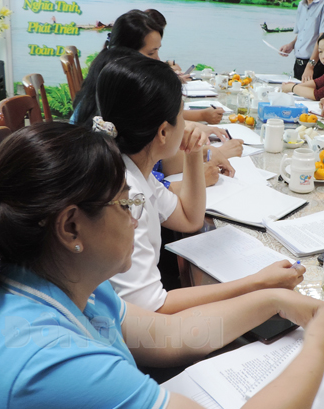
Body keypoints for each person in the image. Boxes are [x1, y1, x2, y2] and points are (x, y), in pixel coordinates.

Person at [0, 122, 324, 409]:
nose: (137, 219)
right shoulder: (50, 364)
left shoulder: (52, 282)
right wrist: (317, 351)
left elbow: (170, 336)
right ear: (71, 227)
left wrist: (273, 301)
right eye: (127, 206)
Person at [94, 54, 305, 312]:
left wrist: (194, 154)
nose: (189, 124)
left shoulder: (134, 169)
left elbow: (189, 219)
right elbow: (154, 308)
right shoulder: (128, 195)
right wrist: (257, 282)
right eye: (181, 115)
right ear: (162, 132)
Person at [73, 46, 238, 189]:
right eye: (152, 53)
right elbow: (185, 217)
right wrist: (198, 173)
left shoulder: (120, 148)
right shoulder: (130, 183)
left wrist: (200, 152)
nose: (159, 60)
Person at [73, 10, 225, 126]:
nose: (158, 60)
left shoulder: (109, 68)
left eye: (157, 50)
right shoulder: (123, 86)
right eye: (151, 52)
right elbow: (160, 122)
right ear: (126, 52)